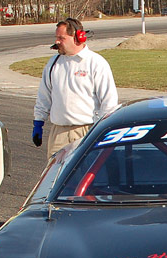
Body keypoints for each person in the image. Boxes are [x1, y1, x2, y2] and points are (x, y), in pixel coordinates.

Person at [32, 17, 119, 157]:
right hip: (59, 133)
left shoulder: (95, 63)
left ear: (78, 37)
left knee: (88, 169)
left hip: (87, 131)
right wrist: (38, 122)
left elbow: (109, 101)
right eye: (56, 38)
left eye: (61, 38)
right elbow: (44, 96)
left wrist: (102, 130)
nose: (57, 42)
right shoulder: (53, 63)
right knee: (55, 171)